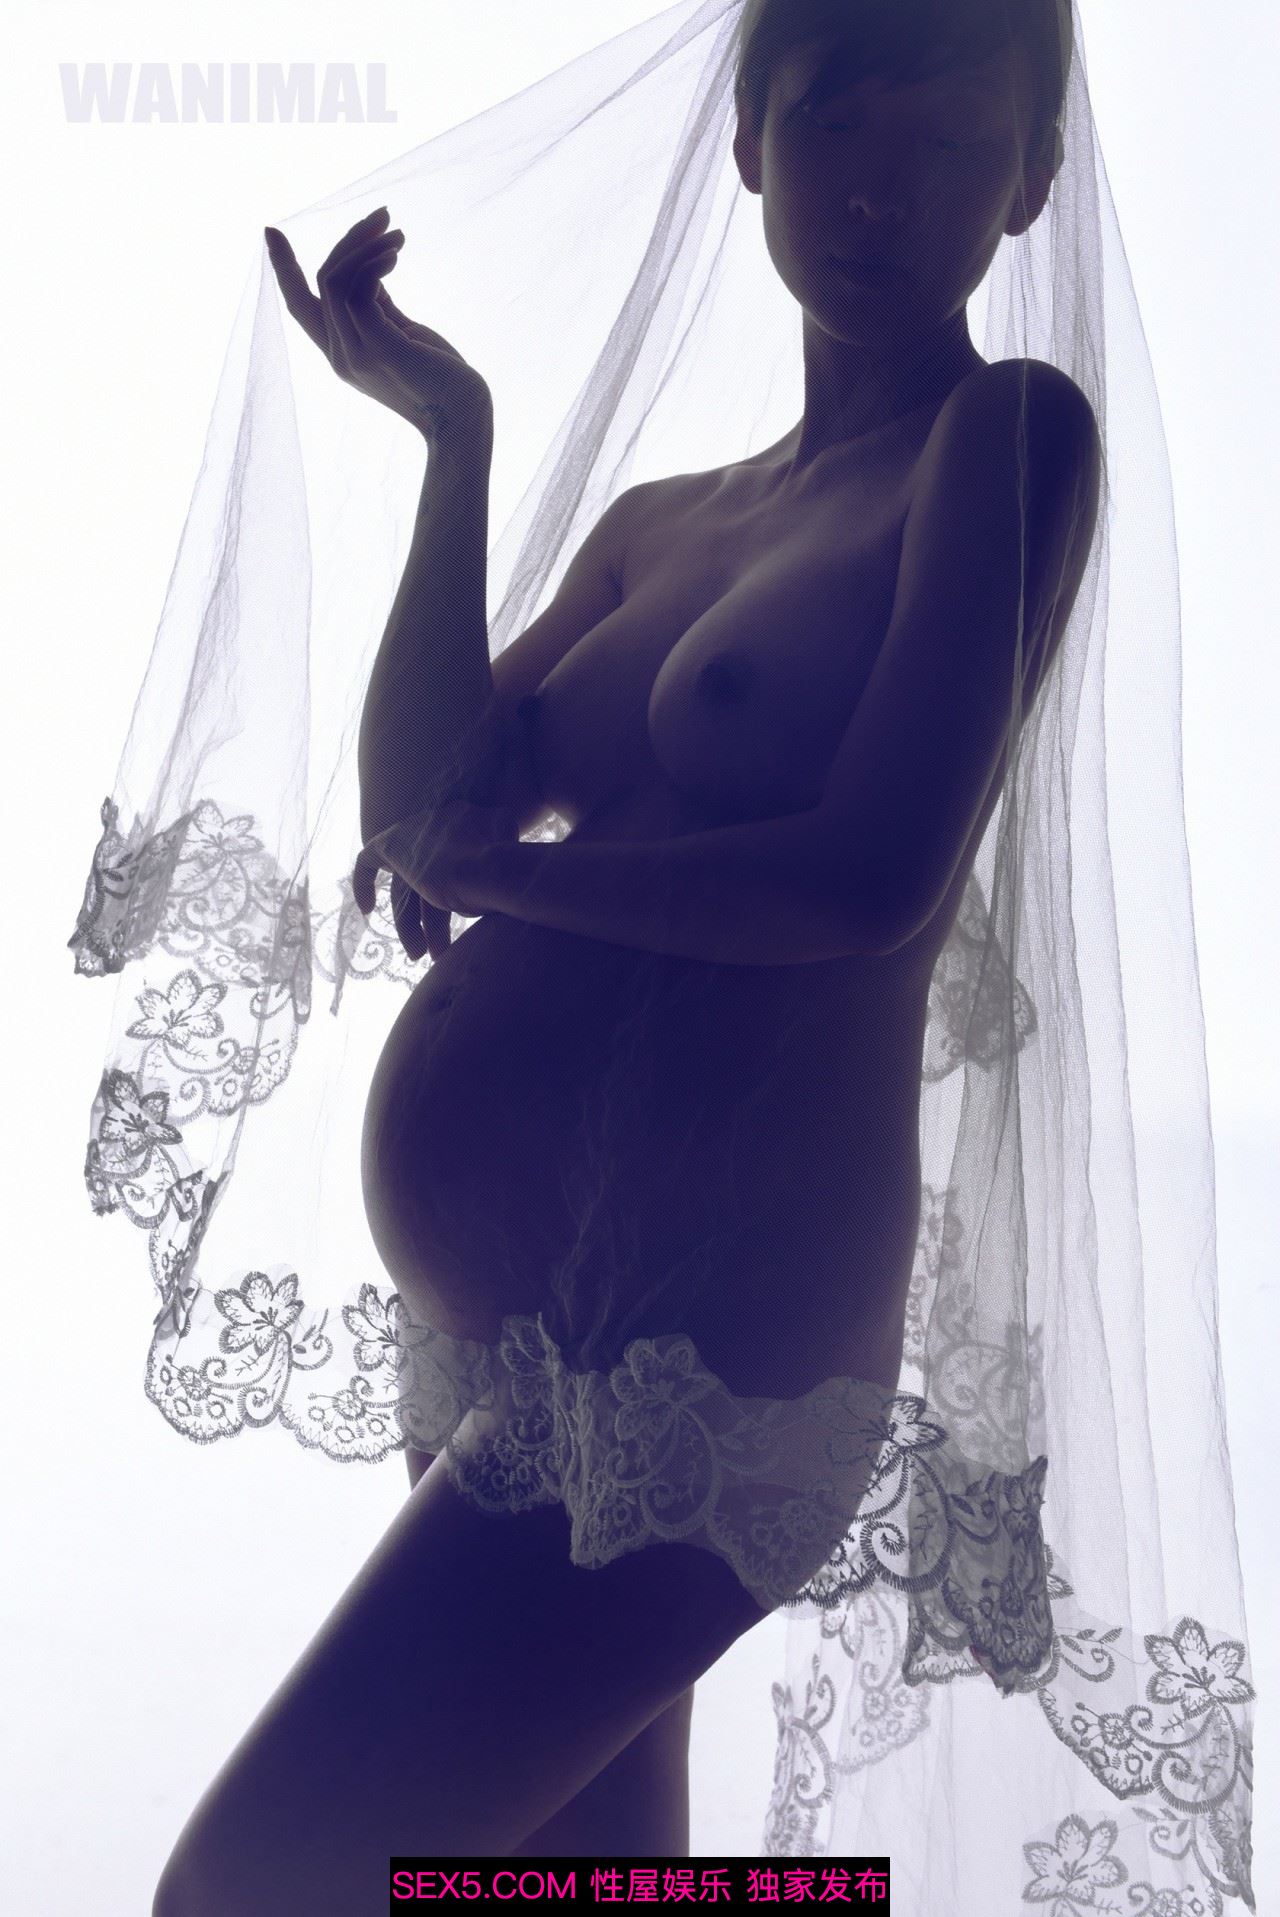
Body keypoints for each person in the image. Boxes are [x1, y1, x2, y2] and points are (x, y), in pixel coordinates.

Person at [70, 2, 1255, 1909]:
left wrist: (518, 880)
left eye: (948, 143)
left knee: (251, 1885)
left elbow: (867, 875)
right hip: (506, 1336)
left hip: (713, 1337)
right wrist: (453, 446)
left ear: (1031, 182)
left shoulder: (1007, 438)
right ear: (752, 141)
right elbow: (422, 804)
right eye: (837, 120)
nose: (879, 187)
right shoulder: (659, 527)